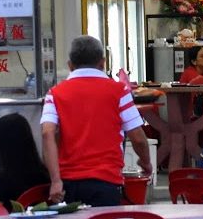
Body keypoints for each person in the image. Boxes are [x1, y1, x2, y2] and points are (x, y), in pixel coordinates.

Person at [41, 35, 152, 207]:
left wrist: (55, 180)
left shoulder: (55, 94)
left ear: (70, 65)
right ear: (102, 63)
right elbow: (138, 138)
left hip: (67, 183)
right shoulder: (119, 91)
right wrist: (145, 162)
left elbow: (47, 133)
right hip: (106, 181)